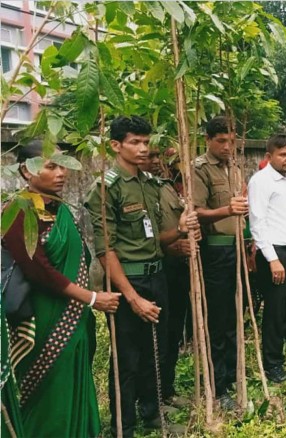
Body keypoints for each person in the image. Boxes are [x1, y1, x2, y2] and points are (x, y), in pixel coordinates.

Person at [85, 116, 199, 436]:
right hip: (128, 283)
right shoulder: (107, 189)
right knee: (126, 357)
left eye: (146, 142)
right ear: (116, 146)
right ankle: (123, 425)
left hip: (157, 276)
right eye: (135, 142)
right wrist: (132, 298)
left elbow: (152, 239)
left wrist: (178, 230)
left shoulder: (149, 185)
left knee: (156, 351)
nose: (143, 148)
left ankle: (152, 414)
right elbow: (106, 252)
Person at [2, 141, 120, 437]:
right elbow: (39, 270)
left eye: (62, 166)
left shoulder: (58, 211)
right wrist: (92, 297)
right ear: (26, 172)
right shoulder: (18, 212)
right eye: (50, 166)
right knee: (48, 389)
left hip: (72, 313)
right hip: (42, 316)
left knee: (71, 379)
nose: (61, 173)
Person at [192, 116, 247, 409]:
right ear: (208, 140)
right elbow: (196, 211)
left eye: (231, 141)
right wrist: (227, 209)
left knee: (236, 316)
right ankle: (219, 384)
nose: (227, 147)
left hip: (237, 248)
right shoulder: (200, 169)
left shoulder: (234, 168)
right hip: (215, 252)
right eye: (221, 141)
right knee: (219, 317)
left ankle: (234, 371)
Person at [248, 134, 286, 383]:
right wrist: (273, 259)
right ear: (269, 156)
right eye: (282, 155)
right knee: (274, 309)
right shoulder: (261, 181)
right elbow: (257, 222)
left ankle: (280, 354)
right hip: (274, 252)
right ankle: (272, 363)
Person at [139, 147, 190, 411]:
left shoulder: (166, 187)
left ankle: (166, 390)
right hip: (156, 272)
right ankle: (150, 397)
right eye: (151, 157)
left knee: (172, 334)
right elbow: (144, 239)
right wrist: (173, 246)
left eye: (159, 156)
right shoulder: (138, 191)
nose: (157, 162)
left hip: (176, 270)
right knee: (153, 338)